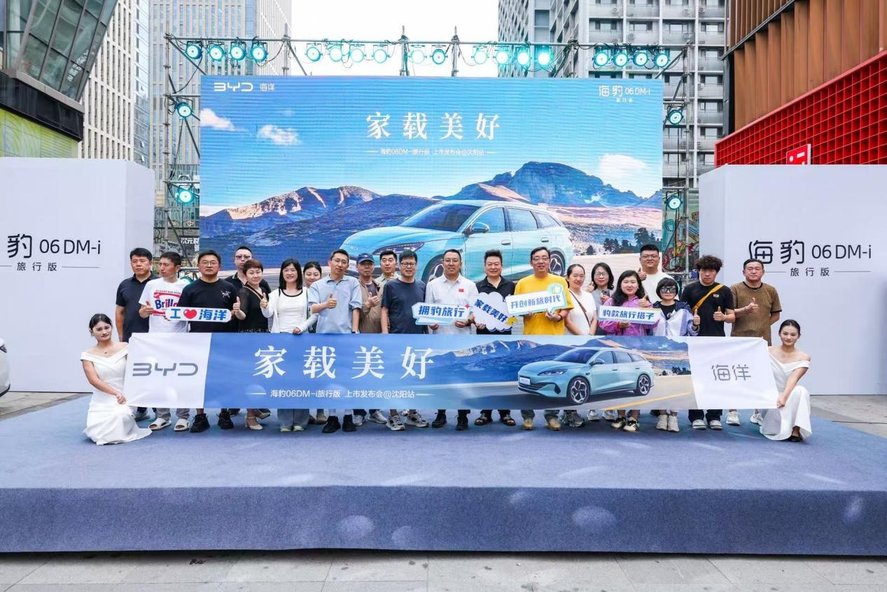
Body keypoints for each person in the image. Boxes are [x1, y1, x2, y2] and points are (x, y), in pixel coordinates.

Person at [177, 249, 239, 433]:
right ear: (198, 265)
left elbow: (235, 314)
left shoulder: (229, 288)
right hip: (198, 341)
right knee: (199, 380)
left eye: (213, 262)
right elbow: (180, 314)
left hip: (224, 340)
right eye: (205, 262)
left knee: (224, 379)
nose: (209, 265)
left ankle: (224, 413)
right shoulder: (190, 289)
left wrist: (235, 312)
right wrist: (168, 315)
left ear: (219, 266)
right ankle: (200, 415)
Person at [514, 246, 573, 431]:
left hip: (555, 339)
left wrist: (558, 316)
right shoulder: (523, 283)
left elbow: (567, 308)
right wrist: (525, 312)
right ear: (531, 262)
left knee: (555, 378)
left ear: (549, 261)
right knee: (529, 378)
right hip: (531, 339)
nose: (540, 261)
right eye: (536, 258)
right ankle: (527, 417)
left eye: (544, 258)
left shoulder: (559, 282)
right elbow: (516, 309)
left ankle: (551, 416)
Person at [308, 249, 362, 434]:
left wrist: (354, 331)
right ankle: (332, 417)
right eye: (337, 261)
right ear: (329, 262)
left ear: (347, 265)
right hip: (324, 337)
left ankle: (348, 415)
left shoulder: (353, 282)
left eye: (344, 262)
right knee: (329, 377)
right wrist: (326, 304)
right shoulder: (318, 285)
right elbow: (313, 308)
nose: (340, 264)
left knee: (347, 378)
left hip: (346, 336)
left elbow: (356, 308)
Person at [137, 251, 190, 431]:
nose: (162, 268)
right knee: (159, 378)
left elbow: (191, 312)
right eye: (160, 264)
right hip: (156, 340)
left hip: (179, 339)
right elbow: (142, 311)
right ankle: (162, 416)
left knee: (181, 378)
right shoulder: (151, 285)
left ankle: (183, 416)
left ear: (177, 267)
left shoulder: (185, 286)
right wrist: (144, 312)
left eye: (166, 265)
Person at [425, 249, 478, 431]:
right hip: (440, 340)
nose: (451, 263)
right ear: (443, 263)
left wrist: (468, 320)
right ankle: (441, 413)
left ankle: (462, 415)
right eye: (447, 260)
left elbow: (475, 312)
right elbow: (427, 311)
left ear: (460, 263)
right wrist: (430, 323)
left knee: (462, 378)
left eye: (455, 260)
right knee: (441, 378)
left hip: (462, 340)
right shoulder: (432, 285)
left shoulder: (470, 285)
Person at [597, 270, 657, 432]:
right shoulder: (611, 302)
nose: (629, 285)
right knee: (619, 381)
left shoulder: (644, 302)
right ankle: (621, 415)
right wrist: (618, 325)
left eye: (633, 282)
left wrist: (646, 309)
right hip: (616, 348)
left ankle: (634, 417)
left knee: (634, 380)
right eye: (626, 282)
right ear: (620, 284)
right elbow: (603, 323)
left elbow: (652, 324)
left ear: (638, 285)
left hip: (637, 347)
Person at [681, 255, 735, 431]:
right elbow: (681, 315)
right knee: (695, 380)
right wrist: (693, 321)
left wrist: (724, 317)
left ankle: (714, 416)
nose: (707, 274)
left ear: (716, 272)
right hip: (694, 341)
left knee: (715, 379)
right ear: (699, 271)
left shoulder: (724, 291)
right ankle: (696, 416)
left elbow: (732, 316)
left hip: (717, 341)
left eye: (711, 271)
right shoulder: (689, 289)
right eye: (704, 270)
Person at [81, 314, 151, 445]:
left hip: (125, 395)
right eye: (99, 329)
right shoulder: (87, 355)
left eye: (106, 327)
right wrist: (115, 393)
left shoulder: (125, 347)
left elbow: (136, 370)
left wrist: (130, 392)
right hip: (102, 398)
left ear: (111, 327)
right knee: (97, 432)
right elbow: (94, 380)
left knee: (119, 416)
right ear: (92, 332)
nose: (104, 332)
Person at [728, 258, 782, 426]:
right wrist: (746, 311)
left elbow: (776, 315)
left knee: (760, 377)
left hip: (762, 342)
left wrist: (762, 325)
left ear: (763, 272)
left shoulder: (770, 290)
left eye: (757, 268)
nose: (753, 271)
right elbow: (729, 314)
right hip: (738, 340)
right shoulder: (735, 289)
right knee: (735, 376)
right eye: (750, 268)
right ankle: (732, 412)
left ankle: (758, 412)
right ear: (743, 271)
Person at [380, 249, 429, 431]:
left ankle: (412, 413)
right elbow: (384, 310)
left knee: (414, 377)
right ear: (399, 266)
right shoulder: (391, 286)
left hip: (418, 339)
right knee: (394, 378)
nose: (409, 267)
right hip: (396, 338)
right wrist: (385, 333)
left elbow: (426, 311)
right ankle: (393, 415)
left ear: (416, 266)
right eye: (405, 264)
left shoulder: (422, 286)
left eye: (412, 264)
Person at [268, 259, 315, 432]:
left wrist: (301, 327)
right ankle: (285, 421)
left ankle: (301, 421)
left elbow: (314, 315)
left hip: (301, 339)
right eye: (286, 270)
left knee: (301, 380)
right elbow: (268, 313)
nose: (289, 273)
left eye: (293, 270)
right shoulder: (275, 294)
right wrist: (264, 305)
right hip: (281, 340)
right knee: (283, 381)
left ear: (298, 273)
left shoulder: (307, 293)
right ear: (282, 273)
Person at [225, 246, 271, 420]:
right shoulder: (240, 290)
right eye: (252, 273)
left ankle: (256, 406)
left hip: (262, 335)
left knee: (258, 374)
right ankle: (249, 415)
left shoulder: (263, 288)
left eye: (258, 272)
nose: (255, 275)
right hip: (246, 336)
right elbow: (242, 314)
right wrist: (237, 312)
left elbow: (269, 310)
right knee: (248, 374)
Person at [474, 249, 516, 427]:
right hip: (483, 338)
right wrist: (475, 321)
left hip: (504, 338)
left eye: (496, 264)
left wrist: (510, 320)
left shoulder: (511, 286)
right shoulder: (477, 287)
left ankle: (505, 413)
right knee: (486, 374)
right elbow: (471, 311)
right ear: (484, 267)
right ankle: (485, 412)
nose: (493, 267)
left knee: (504, 374)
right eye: (489, 264)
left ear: (501, 266)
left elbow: (515, 313)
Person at [651, 277, 698, 433]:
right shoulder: (652, 307)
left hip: (679, 352)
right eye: (664, 288)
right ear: (659, 291)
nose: (668, 292)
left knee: (677, 385)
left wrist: (696, 323)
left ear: (676, 290)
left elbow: (692, 331)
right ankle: (662, 415)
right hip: (657, 351)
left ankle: (674, 416)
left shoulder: (684, 308)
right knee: (660, 384)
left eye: (671, 289)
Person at [115, 247, 156, 421]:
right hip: (132, 338)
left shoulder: (158, 283)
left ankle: (160, 411)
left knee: (156, 373)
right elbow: (119, 312)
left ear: (150, 263)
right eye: (134, 261)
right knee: (136, 374)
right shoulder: (124, 285)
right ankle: (140, 408)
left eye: (142, 261)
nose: (138, 264)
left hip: (155, 337)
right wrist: (121, 337)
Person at [353, 253, 389, 427]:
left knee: (376, 375)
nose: (367, 267)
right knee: (359, 376)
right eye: (363, 264)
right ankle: (359, 412)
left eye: (369, 264)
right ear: (357, 267)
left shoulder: (380, 286)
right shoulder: (353, 286)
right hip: (360, 337)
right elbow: (352, 313)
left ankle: (375, 410)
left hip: (378, 336)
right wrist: (366, 305)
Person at [761, 320, 812, 442]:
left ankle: (796, 429)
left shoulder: (804, 357)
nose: (788, 337)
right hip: (771, 397)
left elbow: (793, 378)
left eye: (793, 334)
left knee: (801, 391)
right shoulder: (767, 351)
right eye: (785, 333)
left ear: (798, 336)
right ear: (779, 334)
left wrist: (783, 397)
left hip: (787, 395)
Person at [562, 263, 598, 428]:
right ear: (567, 277)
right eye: (575, 275)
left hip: (587, 342)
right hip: (571, 342)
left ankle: (579, 411)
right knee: (571, 377)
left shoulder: (588, 296)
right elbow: (567, 321)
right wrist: (582, 338)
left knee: (584, 378)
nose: (578, 278)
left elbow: (594, 318)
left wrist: (590, 336)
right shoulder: (565, 295)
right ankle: (569, 413)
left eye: (581, 275)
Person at [586, 262, 617, 421]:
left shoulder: (616, 293)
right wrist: (586, 292)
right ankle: (591, 408)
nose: (601, 276)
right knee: (593, 370)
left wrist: (609, 302)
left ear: (609, 276)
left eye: (604, 273)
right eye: (597, 273)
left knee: (611, 371)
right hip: (593, 334)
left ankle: (610, 408)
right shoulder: (588, 293)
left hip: (612, 334)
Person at [302, 261, 326, 426]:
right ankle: (304, 412)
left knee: (321, 374)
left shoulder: (323, 293)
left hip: (321, 337)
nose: (312, 277)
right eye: (308, 274)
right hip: (302, 338)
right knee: (304, 376)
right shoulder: (299, 292)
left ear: (320, 276)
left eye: (315, 274)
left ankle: (320, 411)